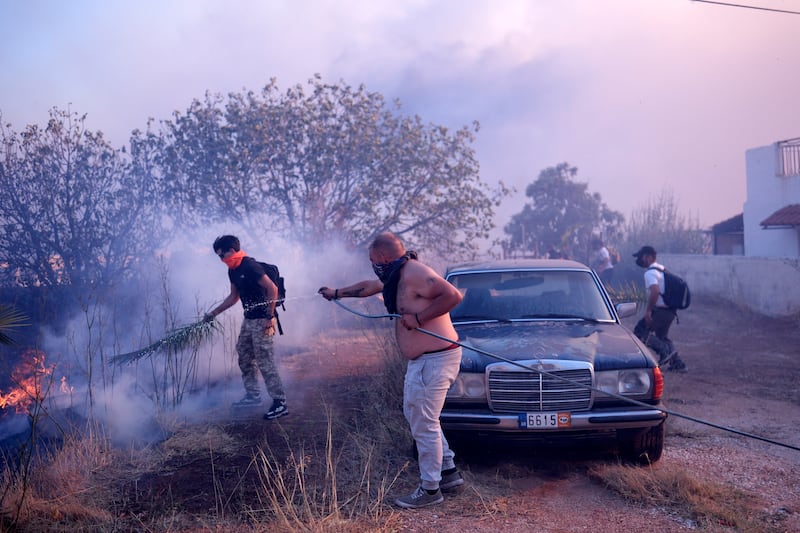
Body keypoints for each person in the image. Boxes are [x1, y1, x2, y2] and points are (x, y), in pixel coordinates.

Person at [318, 232, 465, 509]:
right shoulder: (396, 275)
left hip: (436, 358)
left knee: (424, 422)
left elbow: (452, 295)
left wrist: (419, 317)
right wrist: (337, 293)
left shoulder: (415, 272)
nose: (373, 265)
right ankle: (447, 472)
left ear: (383, 257)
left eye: (373, 260)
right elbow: (369, 287)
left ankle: (431, 490)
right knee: (418, 416)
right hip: (423, 360)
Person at [204, 235, 289, 419]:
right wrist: (213, 313)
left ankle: (280, 402)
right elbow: (234, 297)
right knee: (244, 354)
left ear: (232, 251)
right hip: (249, 319)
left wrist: (269, 315)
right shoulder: (233, 271)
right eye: (218, 256)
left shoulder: (250, 266)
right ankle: (253, 396)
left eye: (222, 255)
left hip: (263, 319)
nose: (221, 260)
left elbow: (272, 289)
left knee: (264, 359)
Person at [631, 245, 688, 373]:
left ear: (649, 257)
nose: (640, 260)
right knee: (662, 336)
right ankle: (678, 364)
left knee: (639, 333)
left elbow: (655, 291)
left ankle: (664, 351)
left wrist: (648, 311)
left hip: (660, 311)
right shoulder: (663, 269)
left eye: (641, 257)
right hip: (670, 312)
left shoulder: (650, 273)